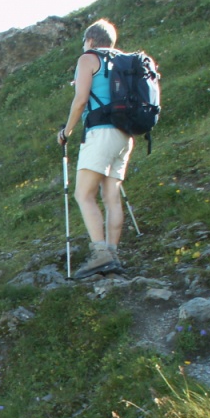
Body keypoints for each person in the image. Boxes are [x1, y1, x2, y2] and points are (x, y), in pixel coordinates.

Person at [57, 19, 133, 279]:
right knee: (111, 195)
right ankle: (113, 254)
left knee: (83, 194)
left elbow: (80, 101)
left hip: (101, 132)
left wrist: (66, 132)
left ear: (90, 40)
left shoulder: (88, 59)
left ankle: (100, 253)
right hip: (125, 134)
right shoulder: (124, 61)